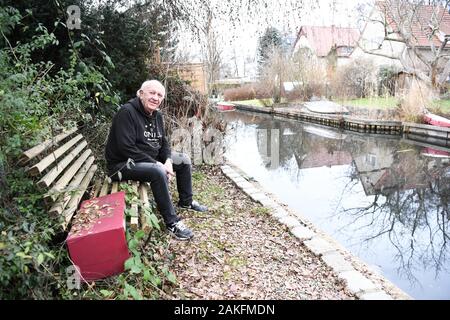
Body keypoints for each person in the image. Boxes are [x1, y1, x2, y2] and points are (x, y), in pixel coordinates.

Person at [105, 80, 207, 240]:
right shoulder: (126, 112)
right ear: (141, 93)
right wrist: (157, 164)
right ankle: (172, 222)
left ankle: (186, 201)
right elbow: (126, 148)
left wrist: (166, 159)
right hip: (122, 164)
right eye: (152, 93)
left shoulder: (157, 115)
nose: (155, 98)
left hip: (147, 160)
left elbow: (163, 143)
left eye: (159, 95)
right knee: (157, 171)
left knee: (183, 160)